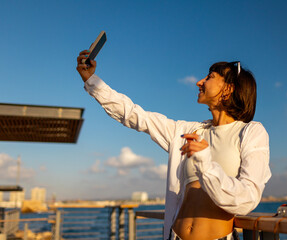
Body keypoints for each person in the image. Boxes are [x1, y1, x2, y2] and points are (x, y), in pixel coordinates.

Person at [77, 50, 271, 240]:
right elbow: (136, 115)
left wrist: (205, 164)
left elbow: (248, 197)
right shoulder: (189, 131)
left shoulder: (251, 132)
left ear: (228, 89)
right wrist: (91, 80)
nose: (199, 82)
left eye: (209, 77)